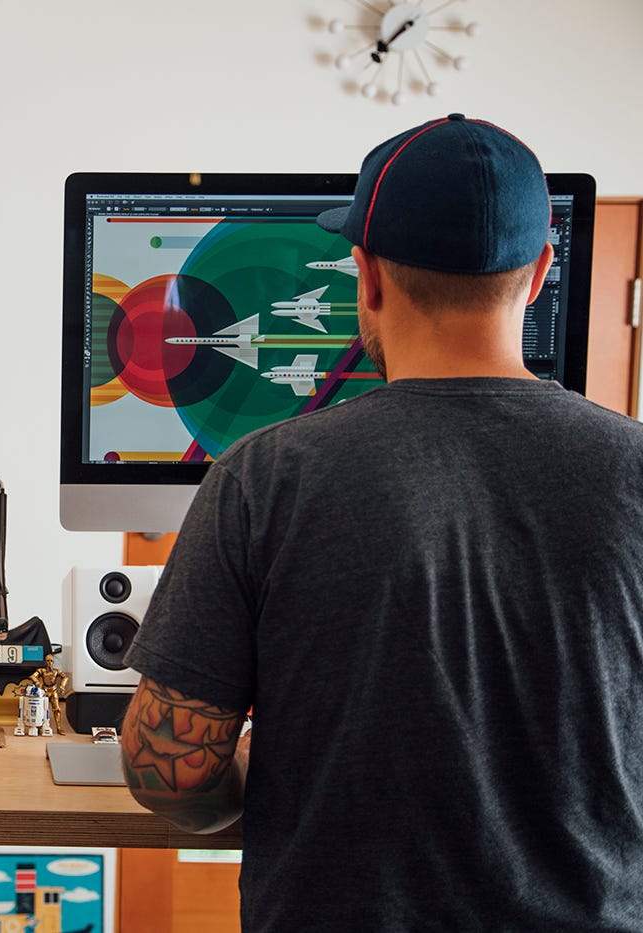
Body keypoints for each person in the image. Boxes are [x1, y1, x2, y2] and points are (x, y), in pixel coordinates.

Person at [120, 114, 643, 931]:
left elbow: (170, 779)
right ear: (541, 272)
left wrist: (278, 761)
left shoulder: (264, 476)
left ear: (364, 277)